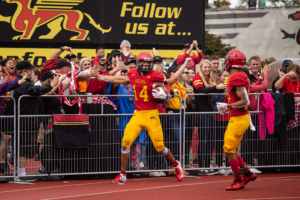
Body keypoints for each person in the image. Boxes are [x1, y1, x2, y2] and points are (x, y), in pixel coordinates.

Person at [98, 52, 184, 183]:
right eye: (143, 62)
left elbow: (168, 95)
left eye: (148, 63)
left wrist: (165, 96)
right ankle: (122, 174)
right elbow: (119, 79)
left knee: (160, 147)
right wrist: (100, 77)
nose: (145, 65)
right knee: (126, 142)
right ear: (138, 63)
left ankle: (176, 164)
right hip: (138, 113)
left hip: (151, 114)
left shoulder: (157, 75)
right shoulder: (132, 73)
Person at [12, 61, 59, 182]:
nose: (32, 72)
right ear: (24, 71)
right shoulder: (22, 83)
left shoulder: (24, 82)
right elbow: (35, 90)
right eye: (30, 70)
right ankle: (21, 174)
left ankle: (21, 173)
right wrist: (51, 85)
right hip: (25, 120)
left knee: (26, 147)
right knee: (24, 147)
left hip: (28, 119)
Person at [217, 49, 257, 190]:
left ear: (231, 61)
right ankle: (247, 173)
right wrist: (228, 107)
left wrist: (227, 105)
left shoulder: (236, 77)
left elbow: (245, 101)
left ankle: (237, 179)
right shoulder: (238, 75)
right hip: (238, 117)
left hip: (239, 118)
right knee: (232, 149)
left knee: (228, 149)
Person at [192, 59, 226, 174]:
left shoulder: (210, 79)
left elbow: (214, 93)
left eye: (208, 67)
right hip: (202, 112)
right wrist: (217, 88)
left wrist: (223, 89)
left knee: (211, 139)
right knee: (203, 139)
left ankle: (208, 164)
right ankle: (201, 166)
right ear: (200, 68)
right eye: (205, 67)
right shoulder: (197, 78)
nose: (207, 69)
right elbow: (201, 90)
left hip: (210, 112)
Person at [0, 73, 28, 177]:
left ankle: (3, 164)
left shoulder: (5, 81)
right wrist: (18, 82)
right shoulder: (6, 83)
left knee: (7, 138)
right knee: (6, 138)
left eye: (0, 71)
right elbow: (4, 87)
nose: (0, 74)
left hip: (4, 114)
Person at [211, 69, 229, 174]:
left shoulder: (232, 87)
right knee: (219, 141)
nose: (226, 77)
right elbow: (214, 101)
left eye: (228, 75)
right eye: (224, 76)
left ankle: (228, 164)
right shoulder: (216, 87)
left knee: (228, 141)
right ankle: (219, 164)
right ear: (219, 77)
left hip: (229, 117)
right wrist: (223, 92)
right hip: (218, 118)